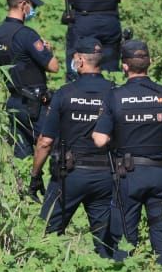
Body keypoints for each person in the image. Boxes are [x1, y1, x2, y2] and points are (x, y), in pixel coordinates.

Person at [91, 39, 162, 267]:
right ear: (150, 63)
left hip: (129, 175)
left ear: (124, 66)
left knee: (125, 237)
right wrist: (158, 136)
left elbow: (99, 139)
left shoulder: (115, 96)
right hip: (160, 175)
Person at [30, 37, 120, 258]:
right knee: (105, 241)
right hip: (104, 174)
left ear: (80, 60)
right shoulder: (115, 93)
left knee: (48, 237)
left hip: (69, 175)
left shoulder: (64, 93)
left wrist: (35, 175)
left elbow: (45, 141)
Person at [0, 0, 60, 159]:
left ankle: (23, 187)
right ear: (23, 4)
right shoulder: (26, 34)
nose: (34, 9)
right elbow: (54, 67)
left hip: (14, 103)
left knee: (22, 159)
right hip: (34, 107)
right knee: (57, 152)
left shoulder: (0, 32)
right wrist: (48, 51)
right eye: (33, 4)